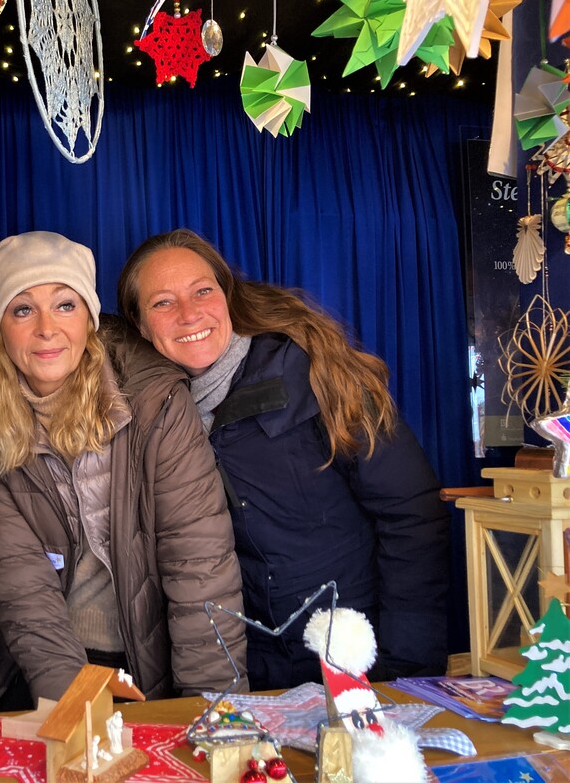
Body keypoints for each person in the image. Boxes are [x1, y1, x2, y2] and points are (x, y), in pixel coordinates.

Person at [117, 228, 449, 690]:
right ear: (139, 324)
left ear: (227, 296)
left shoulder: (315, 370)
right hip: (255, 674)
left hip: (359, 660)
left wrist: (407, 666)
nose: (189, 313)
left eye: (202, 291)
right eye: (162, 302)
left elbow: (411, 512)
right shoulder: (152, 417)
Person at [0, 231, 247, 708]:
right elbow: (20, 580)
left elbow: (200, 566)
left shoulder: (154, 398)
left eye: (65, 305)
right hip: (42, 662)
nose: (47, 328)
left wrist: (210, 713)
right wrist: (73, 706)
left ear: (89, 316)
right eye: (23, 309)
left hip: (150, 659)